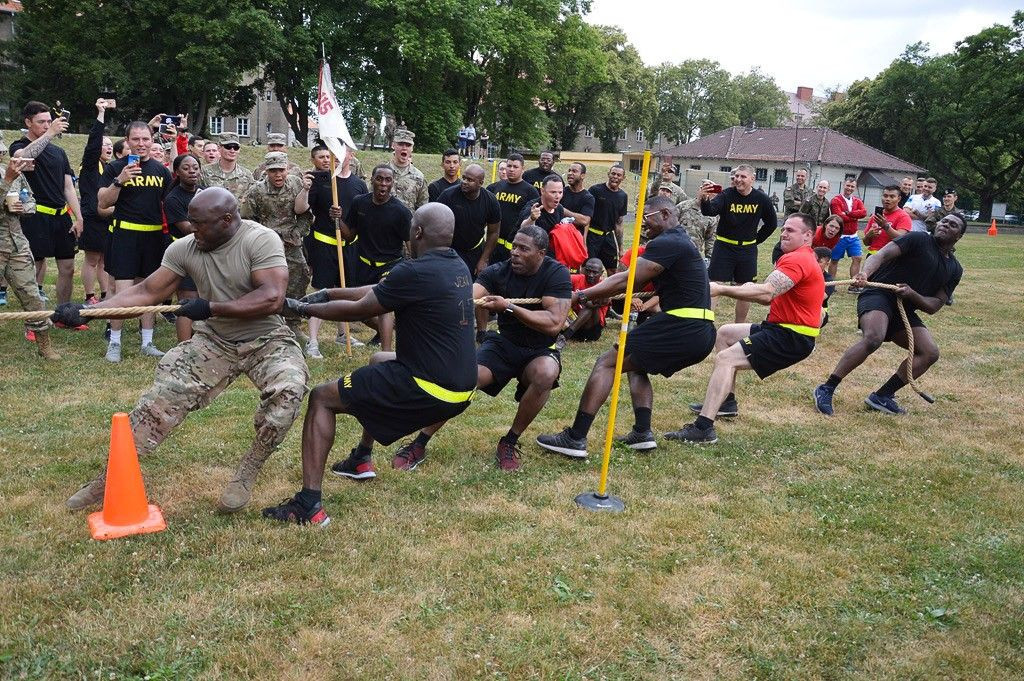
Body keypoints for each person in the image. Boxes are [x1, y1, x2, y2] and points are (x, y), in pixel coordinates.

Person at [58, 187, 309, 514]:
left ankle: (251, 465)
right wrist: (89, 311)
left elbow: (272, 297)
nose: (192, 230)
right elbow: (147, 291)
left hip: (266, 337)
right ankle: (110, 478)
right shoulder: (186, 248)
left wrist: (212, 307)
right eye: (190, 222)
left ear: (227, 220)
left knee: (289, 390)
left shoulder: (260, 240)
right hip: (214, 340)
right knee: (158, 403)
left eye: (200, 224)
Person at [261, 203, 476, 524]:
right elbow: (381, 289)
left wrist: (299, 308)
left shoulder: (413, 270)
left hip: (427, 387)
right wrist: (330, 292)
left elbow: (362, 310)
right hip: (462, 390)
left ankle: (308, 505)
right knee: (379, 359)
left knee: (322, 398)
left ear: (417, 232)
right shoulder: (456, 265)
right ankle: (361, 458)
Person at [537, 196, 715, 456]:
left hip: (683, 325)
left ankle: (575, 438)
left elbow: (627, 280)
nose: (643, 226)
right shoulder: (679, 241)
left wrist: (580, 296)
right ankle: (642, 434)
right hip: (699, 329)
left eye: (647, 219)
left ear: (665, 214)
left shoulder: (669, 242)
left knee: (606, 362)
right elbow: (636, 285)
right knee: (635, 365)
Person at [389, 225, 571, 472]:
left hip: (539, 348)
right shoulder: (498, 271)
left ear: (540, 253)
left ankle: (509, 442)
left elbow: (554, 323)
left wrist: (509, 308)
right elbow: (466, 296)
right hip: (503, 344)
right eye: (514, 246)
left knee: (547, 372)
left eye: (523, 249)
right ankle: (420, 442)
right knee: (463, 380)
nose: (514, 253)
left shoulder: (556, 274)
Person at [671, 213, 823, 443]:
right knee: (725, 334)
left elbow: (766, 294)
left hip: (792, 336)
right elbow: (770, 290)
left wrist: (721, 289)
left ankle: (703, 428)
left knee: (726, 359)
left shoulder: (798, 259)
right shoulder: (800, 256)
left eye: (791, 230)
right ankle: (727, 402)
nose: (783, 233)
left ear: (808, 236)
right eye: (784, 228)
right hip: (779, 327)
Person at [813, 212, 966, 416]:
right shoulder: (918, 239)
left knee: (930, 352)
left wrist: (912, 294)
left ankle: (882, 396)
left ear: (959, 236)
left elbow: (934, 305)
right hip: (879, 295)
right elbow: (881, 255)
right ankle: (826, 388)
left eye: (953, 225)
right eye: (944, 221)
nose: (945, 225)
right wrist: (865, 273)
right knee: (873, 337)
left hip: (904, 308)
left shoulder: (954, 268)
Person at [98, 120, 174, 362]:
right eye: (136, 139)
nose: (141, 144)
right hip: (125, 235)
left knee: (150, 290)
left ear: (152, 140)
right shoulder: (115, 168)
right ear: (127, 141)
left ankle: (147, 341)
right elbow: (103, 203)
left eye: (145, 139)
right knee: (122, 291)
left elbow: (171, 203)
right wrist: (121, 179)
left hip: (153, 236)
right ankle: (115, 343)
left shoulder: (161, 171)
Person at [9, 102, 83, 306]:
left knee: (68, 267)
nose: (46, 125)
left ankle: (63, 313)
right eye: (41, 121)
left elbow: (68, 187)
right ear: (28, 122)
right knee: (35, 266)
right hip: (35, 216)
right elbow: (22, 157)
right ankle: (34, 319)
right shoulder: (19, 145)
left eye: (49, 121)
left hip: (61, 216)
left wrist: (79, 217)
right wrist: (49, 133)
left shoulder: (59, 153)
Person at [333, 164, 412, 351]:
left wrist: (412, 267)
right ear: (372, 180)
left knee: (383, 304)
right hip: (364, 265)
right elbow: (350, 236)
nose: (383, 184)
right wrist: (338, 219)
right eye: (379, 179)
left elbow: (410, 245)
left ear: (392, 183)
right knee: (361, 311)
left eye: (388, 180)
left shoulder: (401, 212)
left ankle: (385, 352)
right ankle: (393, 329)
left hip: (390, 265)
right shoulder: (360, 203)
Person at [241, 151, 313, 341]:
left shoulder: (296, 184)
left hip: (292, 243)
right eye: (273, 171)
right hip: (265, 245)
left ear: (287, 169)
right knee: (263, 283)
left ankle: (293, 323)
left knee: (300, 277)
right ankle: (266, 322)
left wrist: (297, 232)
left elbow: (305, 214)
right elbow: (247, 219)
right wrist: (260, 238)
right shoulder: (257, 191)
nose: (278, 175)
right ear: (266, 171)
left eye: (281, 170)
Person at [304, 145, 368, 356]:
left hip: (349, 246)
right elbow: (303, 210)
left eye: (345, 152)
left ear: (351, 155)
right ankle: (312, 341)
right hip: (323, 244)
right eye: (335, 153)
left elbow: (362, 217)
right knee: (322, 293)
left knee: (345, 292)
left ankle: (343, 334)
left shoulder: (359, 185)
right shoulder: (322, 181)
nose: (339, 156)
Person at [699, 165, 777, 323]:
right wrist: (705, 198)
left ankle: (739, 326)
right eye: (736, 176)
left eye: (743, 177)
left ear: (752, 179)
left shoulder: (761, 199)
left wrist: (756, 240)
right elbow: (710, 211)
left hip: (747, 250)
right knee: (714, 285)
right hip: (724, 247)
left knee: (746, 288)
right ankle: (705, 325)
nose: (738, 180)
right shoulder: (726, 194)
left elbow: (772, 223)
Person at [1, 147, 60, 359]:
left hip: (17, 246)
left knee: (33, 296)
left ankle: (45, 345)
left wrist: (21, 208)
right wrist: (7, 180)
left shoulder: (14, 174)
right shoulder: (9, 175)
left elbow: (31, 202)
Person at [78, 98, 116, 306]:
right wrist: (100, 115)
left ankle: (103, 295)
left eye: (111, 145)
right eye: (105, 144)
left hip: (106, 217)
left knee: (103, 259)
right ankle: (89, 296)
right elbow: (93, 143)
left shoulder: (107, 167)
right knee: (92, 259)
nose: (108, 148)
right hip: (93, 217)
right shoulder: (91, 165)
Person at [163, 153, 202, 341]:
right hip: (185, 253)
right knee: (188, 302)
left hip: (206, 252)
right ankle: (183, 346)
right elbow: (187, 229)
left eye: (195, 167)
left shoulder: (204, 191)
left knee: (205, 300)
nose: (192, 171)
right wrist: (213, 222)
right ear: (177, 172)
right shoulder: (173, 199)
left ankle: (201, 341)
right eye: (186, 168)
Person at [436, 163, 501, 274]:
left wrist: (483, 260)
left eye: (469, 180)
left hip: (475, 252)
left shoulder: (490, 201)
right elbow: (435, 224)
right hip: (450, 250)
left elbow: (494, 232)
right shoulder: (448, 196)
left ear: (480, 183)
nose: (464, 182)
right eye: (464, 178)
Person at [487, 153, 539, 264]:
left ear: (522, 169)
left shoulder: (530, 191)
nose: (511, 169)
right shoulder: (495, 187)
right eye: (509, 166)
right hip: (493, 244)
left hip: (516, 247)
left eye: (515, 167)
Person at [587, 165, 629, 274]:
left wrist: (620, 249)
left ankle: (610, 291)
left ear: (623, 178)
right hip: (592, 236)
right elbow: (586, 216)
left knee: (612, 270)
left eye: (619, 175)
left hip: (608, 238)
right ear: (608, 174)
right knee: (588, 268)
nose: (615, 177)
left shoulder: (623, 196)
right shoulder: (595, 190)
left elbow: (619, 223)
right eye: (613, 173)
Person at [559, 257, 610, 344]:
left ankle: (565, 337)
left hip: (590, 331)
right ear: (583, 270)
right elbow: (558, 284)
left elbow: (603, 301)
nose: (591, 274)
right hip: (572, 324)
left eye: (595, 272)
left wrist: (579, 298)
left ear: (601, 273)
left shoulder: (604, 286)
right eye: (588, 271)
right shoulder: (577, 279)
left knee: (590, 307)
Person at [828, 177, 867, 287]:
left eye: (852, 186)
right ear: (844, 185)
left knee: (858, 258)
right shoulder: (836, 200)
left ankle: (854, 284)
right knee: (834, 260)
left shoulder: (857, 200)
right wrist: (854, 215)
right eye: (848, 185)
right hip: (839, 236)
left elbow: (863, 213)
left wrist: (848, 213)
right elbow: (839, 216)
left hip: (853, 236)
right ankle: (831, 285)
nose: (849, 188)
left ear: (855, 188)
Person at [385, 128, 429, 212]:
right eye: (400, 144)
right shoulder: (382, 172)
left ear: (412, 148)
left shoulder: (419, 177)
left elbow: (423, 207)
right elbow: (372, 198)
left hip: (408, 223)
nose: (404, 148)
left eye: (408, 145)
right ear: (393, 145)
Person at [862, 185, 912, 258]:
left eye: (892, 197)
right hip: (872, 255)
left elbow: (901, 240)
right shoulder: (875, 216)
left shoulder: (903, 216)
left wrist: (885, 226)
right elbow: (866, 243)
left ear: (899, 199)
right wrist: (868, 235)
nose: (887, 199)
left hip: (890, 258)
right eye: (885, 196)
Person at [200, 132, 253, 200]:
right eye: (228, 147)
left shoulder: (246, 175)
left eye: (236, 148)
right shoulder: (205, 172)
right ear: (219, 148)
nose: (232, 150)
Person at [560, 162, 595, 233]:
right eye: (569, 170)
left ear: (582, 176)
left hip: (575, 239)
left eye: (574, 171)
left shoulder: (588, 198)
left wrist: (561, 209)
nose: (570, 173)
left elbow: (585, 221)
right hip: (558, 236)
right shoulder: (560, 192)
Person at [678, 197, 716, 262]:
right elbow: (670, 224)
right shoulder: (683, 206)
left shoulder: (711, 213)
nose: (706, 194)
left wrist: (709, 258)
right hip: (676, 249)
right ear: (699, 190)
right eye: (705, 190)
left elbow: (710, 238)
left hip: (695, 254)